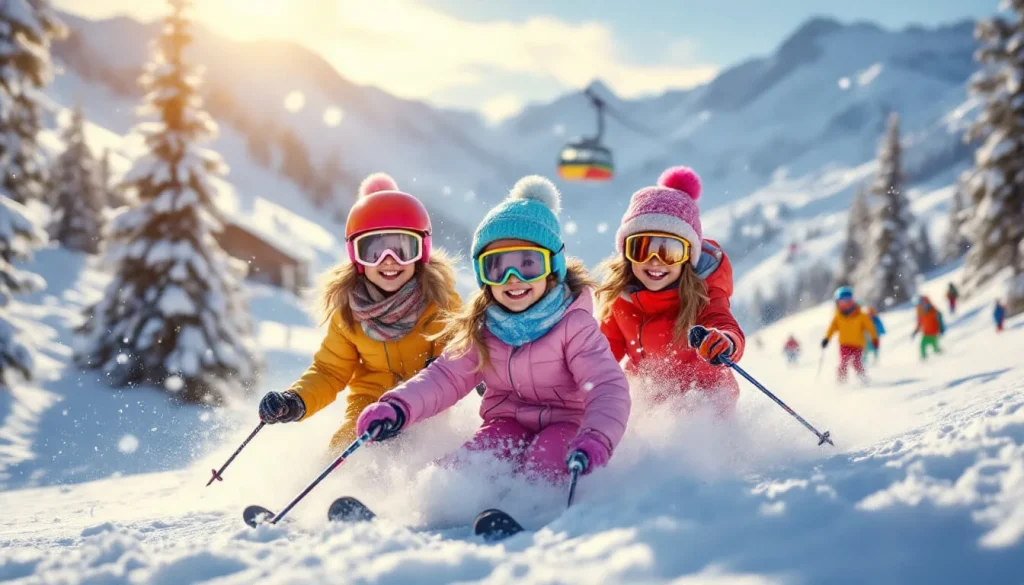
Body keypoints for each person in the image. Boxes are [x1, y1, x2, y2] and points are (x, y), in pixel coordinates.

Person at [356, 176, 631, 483]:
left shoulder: (574, 326)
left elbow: (607, 386)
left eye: (529, 264)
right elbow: (445, 376)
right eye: (497, 267)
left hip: (567, 425)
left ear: (553, 268)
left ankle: (535, 513)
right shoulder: (483, 328)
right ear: (483, 276)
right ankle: (430, 505)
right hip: (505, 423)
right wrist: (397, 406)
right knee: (464, 468)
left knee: (545, 463)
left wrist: (596, 438)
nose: (513, 278)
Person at [256, 173, 462, 453]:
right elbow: (330, 371)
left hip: (424, 404)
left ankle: (415, 497)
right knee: (345, 448)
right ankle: (336, 494)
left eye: (402, 248)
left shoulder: (440, 302)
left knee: (416, 448)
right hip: (367, 406)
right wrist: (294, 401)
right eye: (373, 250)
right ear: (356, 256)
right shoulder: (349, 313)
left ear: (421, 250)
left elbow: (451, 362)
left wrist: (411, 401)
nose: (389, 261)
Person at [594, 166, 744, 414]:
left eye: (669, 251)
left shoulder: (702, 294)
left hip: (708, 403)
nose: (655, 261)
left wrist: (724, 341)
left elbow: (723, 321)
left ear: (688, 257)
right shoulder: (621, 300)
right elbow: (602, 355)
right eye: (642, 248)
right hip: (650, 403)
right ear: (627, 255)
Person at [822, 287, 877, 383]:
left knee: (856, 362)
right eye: (842, 303)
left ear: (853, 302)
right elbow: (831, 329)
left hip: (858, 345)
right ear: (837, 303)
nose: (846, 306)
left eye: (848, 302)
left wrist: (874, 339)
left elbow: (870, 327)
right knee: (843, 362)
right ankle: (841, 381)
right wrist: (826, 338)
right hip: (844, 344)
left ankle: (863, 378)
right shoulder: (837, 317)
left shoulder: (860, 315)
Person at [912, 295, 945, 360]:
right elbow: (919, 324)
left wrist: (941, 328)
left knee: (935, 347)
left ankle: (942, 357)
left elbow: (939, 318)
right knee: (922, 346)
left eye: (925, 304)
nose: (924, 306)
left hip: (933, 332)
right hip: (926, 333)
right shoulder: (921, 313)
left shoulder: (933, 310)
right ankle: (924, 359)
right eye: (922, 304)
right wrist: (915, 331)